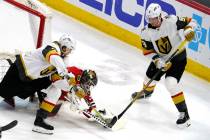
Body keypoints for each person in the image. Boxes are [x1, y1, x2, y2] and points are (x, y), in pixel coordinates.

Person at [131, 3, 196, 127]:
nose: (152, 21)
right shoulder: (146, 32)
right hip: (162, 58)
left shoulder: (171, 20)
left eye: (154, 18)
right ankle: (147, 93)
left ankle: (184, 114)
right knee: (148, 78)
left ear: (160, 16)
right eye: (149, 19)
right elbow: (147, 51)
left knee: (170, 83)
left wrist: (188, 29)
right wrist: (157, 60)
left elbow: (191, 21)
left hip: (178, 58)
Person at [0, 34, 76, 133]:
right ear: (63, 46)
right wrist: (65, 71)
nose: (69, 52)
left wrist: (71, 88)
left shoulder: (64, 60)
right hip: (19, 70)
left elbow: (58, 79)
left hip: (33, 79)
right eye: (69, 49)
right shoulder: (52, 47)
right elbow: (53, 57)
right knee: (2, 93)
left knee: (55, 91)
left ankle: (39, 122)